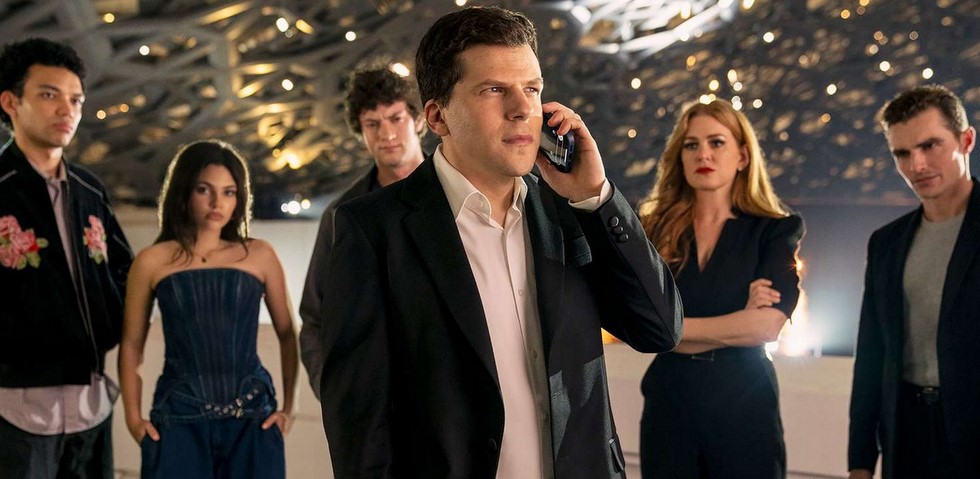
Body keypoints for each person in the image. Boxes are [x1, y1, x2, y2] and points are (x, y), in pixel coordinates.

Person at [316, 6, 682, 479]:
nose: (522, 109)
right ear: (437, 116)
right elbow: (360, 427)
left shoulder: (572, 211)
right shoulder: (371, 230)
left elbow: (659, 328)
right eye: (494, 90)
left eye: (531, 89)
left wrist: (596, 197)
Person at [637, 99, 804, 478]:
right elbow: (640, 325)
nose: (703, 154)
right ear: (680, 157)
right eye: (691, 145)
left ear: (742, 156)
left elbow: (765, 327)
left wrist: (672, 330)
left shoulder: (774, 230)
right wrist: (736, 322)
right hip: (669, 404)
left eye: (716, 142)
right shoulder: (652, 230)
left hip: (744, 405)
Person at [118, 140, 298, 478]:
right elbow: (131, 344)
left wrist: (290, 407)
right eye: (204, 190)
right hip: (177, 420)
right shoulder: (152, 261)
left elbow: (288, 333)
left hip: (253, 420)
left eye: (229, 192)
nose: (218, 203)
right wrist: (132, 419)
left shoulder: (259, 255)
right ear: (184, 191)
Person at [0, 38, 133, 478]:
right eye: (48, 94)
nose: (67, 110)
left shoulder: (90, 190)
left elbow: (125, 271)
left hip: (90, 401)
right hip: (15, 405)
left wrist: (110, 321)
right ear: (10, 102)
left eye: (76, 99)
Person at [848, 85, 979, 479]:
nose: (917, 164)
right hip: (907, 436)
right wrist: (859, 462)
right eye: (902, 153)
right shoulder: (886, 243)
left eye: (930, 145)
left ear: (966, 140)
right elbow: (871, 355)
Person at [299, 64, 425, 400]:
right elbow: (314, 316)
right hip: (376, 398)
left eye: (395, 118)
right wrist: (335, 394)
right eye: (373, 123)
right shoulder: (341, 216)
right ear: (360, 131)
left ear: (418, 120)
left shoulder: (457, 196)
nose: (386, 133)